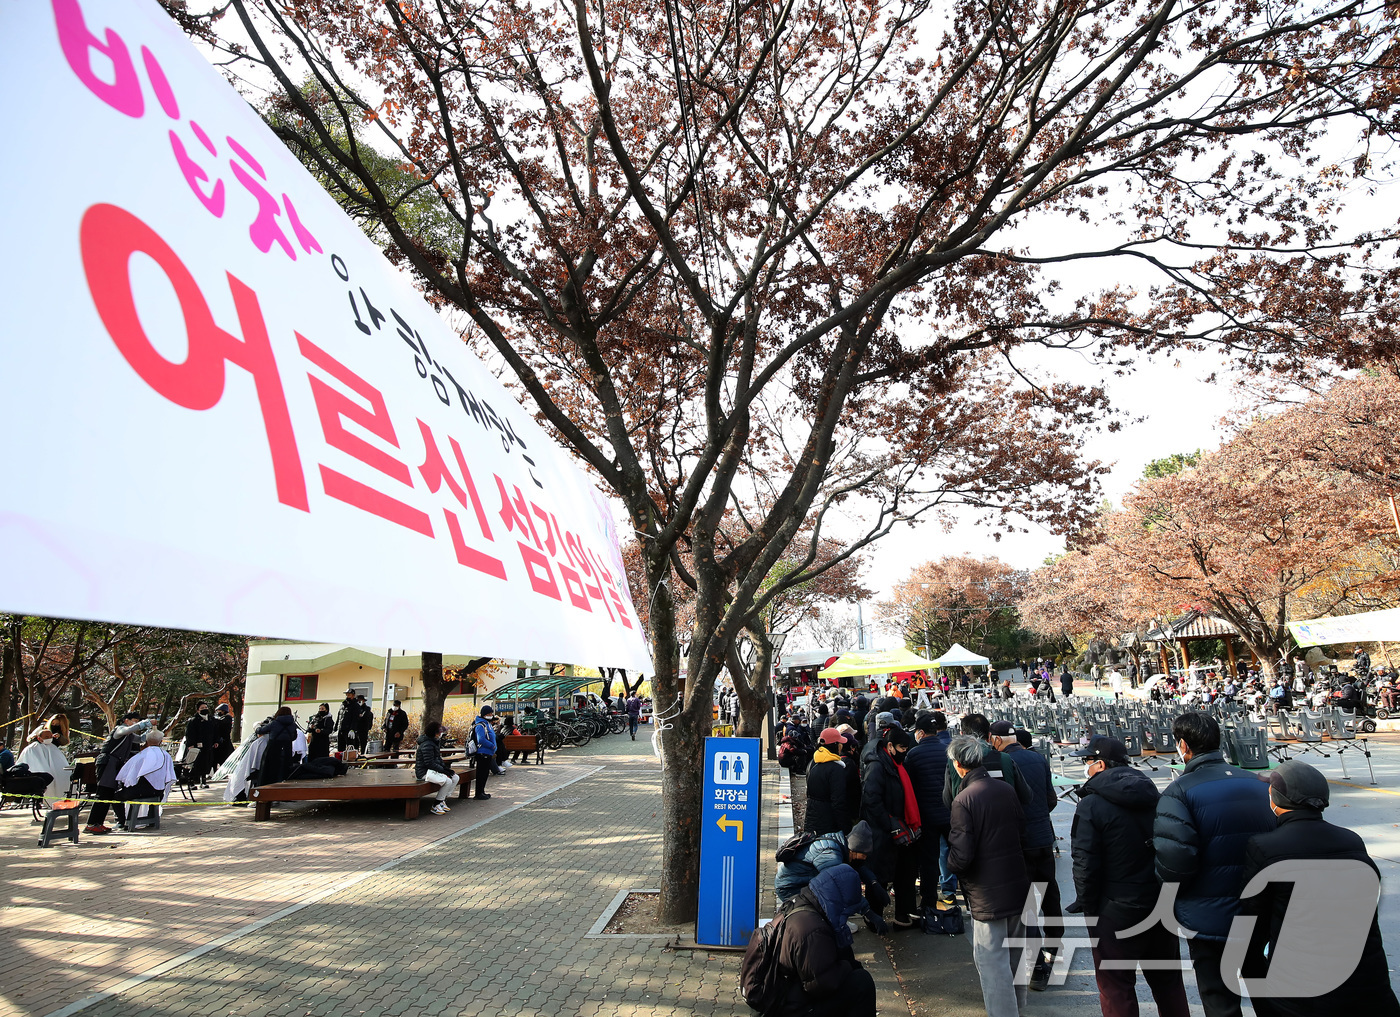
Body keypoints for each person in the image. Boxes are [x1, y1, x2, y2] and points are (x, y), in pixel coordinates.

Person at [1238, 759, 1400, 1017]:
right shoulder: (1351, 840)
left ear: (1275, 798)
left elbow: (1253, 918)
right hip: (1368, 984)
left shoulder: (1265, 847)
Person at [1154, 712, 1275, 1017]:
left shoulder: (1179, 791)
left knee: (1219, 997)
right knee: (1264, 986)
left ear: (1183, 746)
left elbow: (1175, 862)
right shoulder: (1260, 783)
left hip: (1207, 915)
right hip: (1259, 908)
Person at [1068, 736, 1189, 1017]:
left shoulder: (1091, 805)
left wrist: (1088, 907)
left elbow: (1084, 863)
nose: (1085, 767)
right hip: (1158, 900)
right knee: (1168, 983)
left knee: (1116, 987)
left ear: (1099, 764)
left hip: (1114, 907)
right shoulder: (1154, 795)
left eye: (1087, 761)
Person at [946, 733, 1032, 1017]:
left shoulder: (963, 800)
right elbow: (1022, 833)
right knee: (1015, 957)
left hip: (986, 893)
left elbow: (961, 855)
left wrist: (950, 866)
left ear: (959, 765)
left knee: (992, 963)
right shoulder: (1005, 789)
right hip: (1017, 884)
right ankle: (1018, 1009)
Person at [991, 719, 1060, 990]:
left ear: (996, 739)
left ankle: (1038, 967)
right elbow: (1051, 798)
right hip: (1044, 837)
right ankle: (1054, 950)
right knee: (1049, 894)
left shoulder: (1002, 764)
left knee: (1027, 904)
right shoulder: (1038, 759)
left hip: (1021, 842)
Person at [767, 864, 877, 1017]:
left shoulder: (803, 903)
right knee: (862, 984)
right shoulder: (812, 929)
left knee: (851, 968)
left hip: (788, 993)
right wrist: (845, 968)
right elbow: (819, 985)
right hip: (790, 1006)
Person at [774, 825, 889, 932]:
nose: (864, 858)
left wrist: (874, 883)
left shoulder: (840, 844)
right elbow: (842, 887)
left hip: (802, 881)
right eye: (863, 855)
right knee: (830, 898)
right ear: (854, 850)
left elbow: (858, 867)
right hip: (791, 888)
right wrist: (869, 913)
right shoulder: (829, 854)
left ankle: (834, 921)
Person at [860, 726, 920, 928]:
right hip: (882, 831)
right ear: (890, 747)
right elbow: (871, 799)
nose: (905, 752)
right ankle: (874, 917)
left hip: (900, 828)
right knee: (879, 877)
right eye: (902, 748)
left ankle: (902, 916)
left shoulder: (896, 763)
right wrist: (890, 823)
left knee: (904, 874)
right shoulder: (877, 766)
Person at [904, 711, 954, 909]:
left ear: (921, 733)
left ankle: (929, 903)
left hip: (926, 816)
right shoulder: (948, 751)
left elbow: (910, 788)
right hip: (949, 813)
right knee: (958, 854)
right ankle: (968, 895)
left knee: (929, 862)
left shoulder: (913, 755)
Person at [85, 711, 151, 834]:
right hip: (107, 762)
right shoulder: (120, 729)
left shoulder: (130, 735)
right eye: (134, 721)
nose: (136, 724)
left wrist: (151, 730)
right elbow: (128, 730)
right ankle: (91, 824)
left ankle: (98, 823)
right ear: (126, 720)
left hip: (115, 765)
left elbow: (141, 739)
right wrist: (145, 724)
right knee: (102, 794)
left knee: (108, 795)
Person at [115, 728, 176, 813]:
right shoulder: (166, 755)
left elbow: (127, 775)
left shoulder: (141, 755)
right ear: (160, 742)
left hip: (141, 791)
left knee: (115, 796)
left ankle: (122, 821)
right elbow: (170, 777)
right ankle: (151, 818)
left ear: (146, 742)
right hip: (159, 791)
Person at [804, 728, 850, 834]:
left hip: (812, 818)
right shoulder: (836, 769)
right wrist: (846, 828)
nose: (841, 746)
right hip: (829, 823)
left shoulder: (813, 762)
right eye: (839, 743)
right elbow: (838, 802)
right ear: (834, 745)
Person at [415, 720, 460, 815]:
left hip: (432, 770)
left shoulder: (434, 742)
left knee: (455, 777)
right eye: (439, 732)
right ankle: (436, 804)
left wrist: (446, 769)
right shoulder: (427, 744)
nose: (441, 734)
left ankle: (442, 800)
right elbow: (429, 763)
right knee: (447, 781)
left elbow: (438, 760)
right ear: (434, 733)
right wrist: (443, 771)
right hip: (424, 772)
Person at [254, 707, 301, 787]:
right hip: (287, 749)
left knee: (271, 770)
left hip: (273, 748)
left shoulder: (274, 723)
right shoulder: (293, 724)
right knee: (284, 771)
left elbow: (261, 730)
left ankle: (270, 789)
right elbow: (294, 737)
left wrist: (257, 726)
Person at [18, 724, 71, 793]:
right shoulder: (32, 749)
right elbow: (35, 764)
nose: (49, 738)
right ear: (39, 738)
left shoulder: (53, 747)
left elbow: (60, 761)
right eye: (46, 737)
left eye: (50, 736)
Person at [184, 702, 218, 786]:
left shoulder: (211, 719)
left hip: (208, 746)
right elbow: (189, 733)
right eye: (202, 708)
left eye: (205, 707)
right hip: (196, 746)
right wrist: (190, 744)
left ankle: (203, 781)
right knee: (194, 764)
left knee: (206, 763)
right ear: (198, 710)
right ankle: (191, 782)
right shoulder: (193, 720)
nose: (205, 709)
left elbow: (215, 732)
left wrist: (215, 741)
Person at [471, 705, 498, 800]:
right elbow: (481, 739)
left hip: (488, 752)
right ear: (484, 714)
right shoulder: (480, 725)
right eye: (489, 714)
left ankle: (482, 791)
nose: (491, 715)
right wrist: (492, 745)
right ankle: (479, 793)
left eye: (491, 713)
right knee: (481, 773)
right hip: (483, 752)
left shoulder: (487, 723)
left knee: (485, 773)